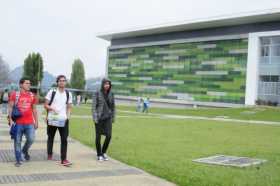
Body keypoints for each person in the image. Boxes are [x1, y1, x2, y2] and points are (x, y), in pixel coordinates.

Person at [8, 77, 38, 167]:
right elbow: (10, 107)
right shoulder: (15, 95)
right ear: (21, 84)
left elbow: (34, 109)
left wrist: (36, 121)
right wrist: (10, 119)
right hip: (18, 123)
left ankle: (24, 151)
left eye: (29, 83)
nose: (29, 85)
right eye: (26, 83)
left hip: (29, 123)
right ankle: (18, 159)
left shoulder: (32, 95)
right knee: (17, 141)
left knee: (31, 139)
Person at [44, 75, 73, 166]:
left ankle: (63, 159)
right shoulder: (52, 92)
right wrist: (52, 108)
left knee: (64, 139)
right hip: (52, 119)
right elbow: (45, 105)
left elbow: (69, 107)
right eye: (60, 81)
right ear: (57, 82)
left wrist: (68, 117)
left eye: (64, 81)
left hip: (63, 120)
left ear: (66, 82)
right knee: (51, 137)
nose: (62, 82)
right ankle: (49, 153)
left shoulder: (68, 94)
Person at [92, 78, 115, 161]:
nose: (107, 85)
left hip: (108, 118)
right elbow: (94, 106)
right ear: (102, 84)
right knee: (98, 137)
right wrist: (95, 117)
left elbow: (113, 107)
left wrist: (113, 117)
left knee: (109, 136)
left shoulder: (111, 93)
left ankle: (103, 152)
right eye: (105, 84)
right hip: (99, 117)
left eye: (108, 84)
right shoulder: (97, 93)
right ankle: (99, 154)